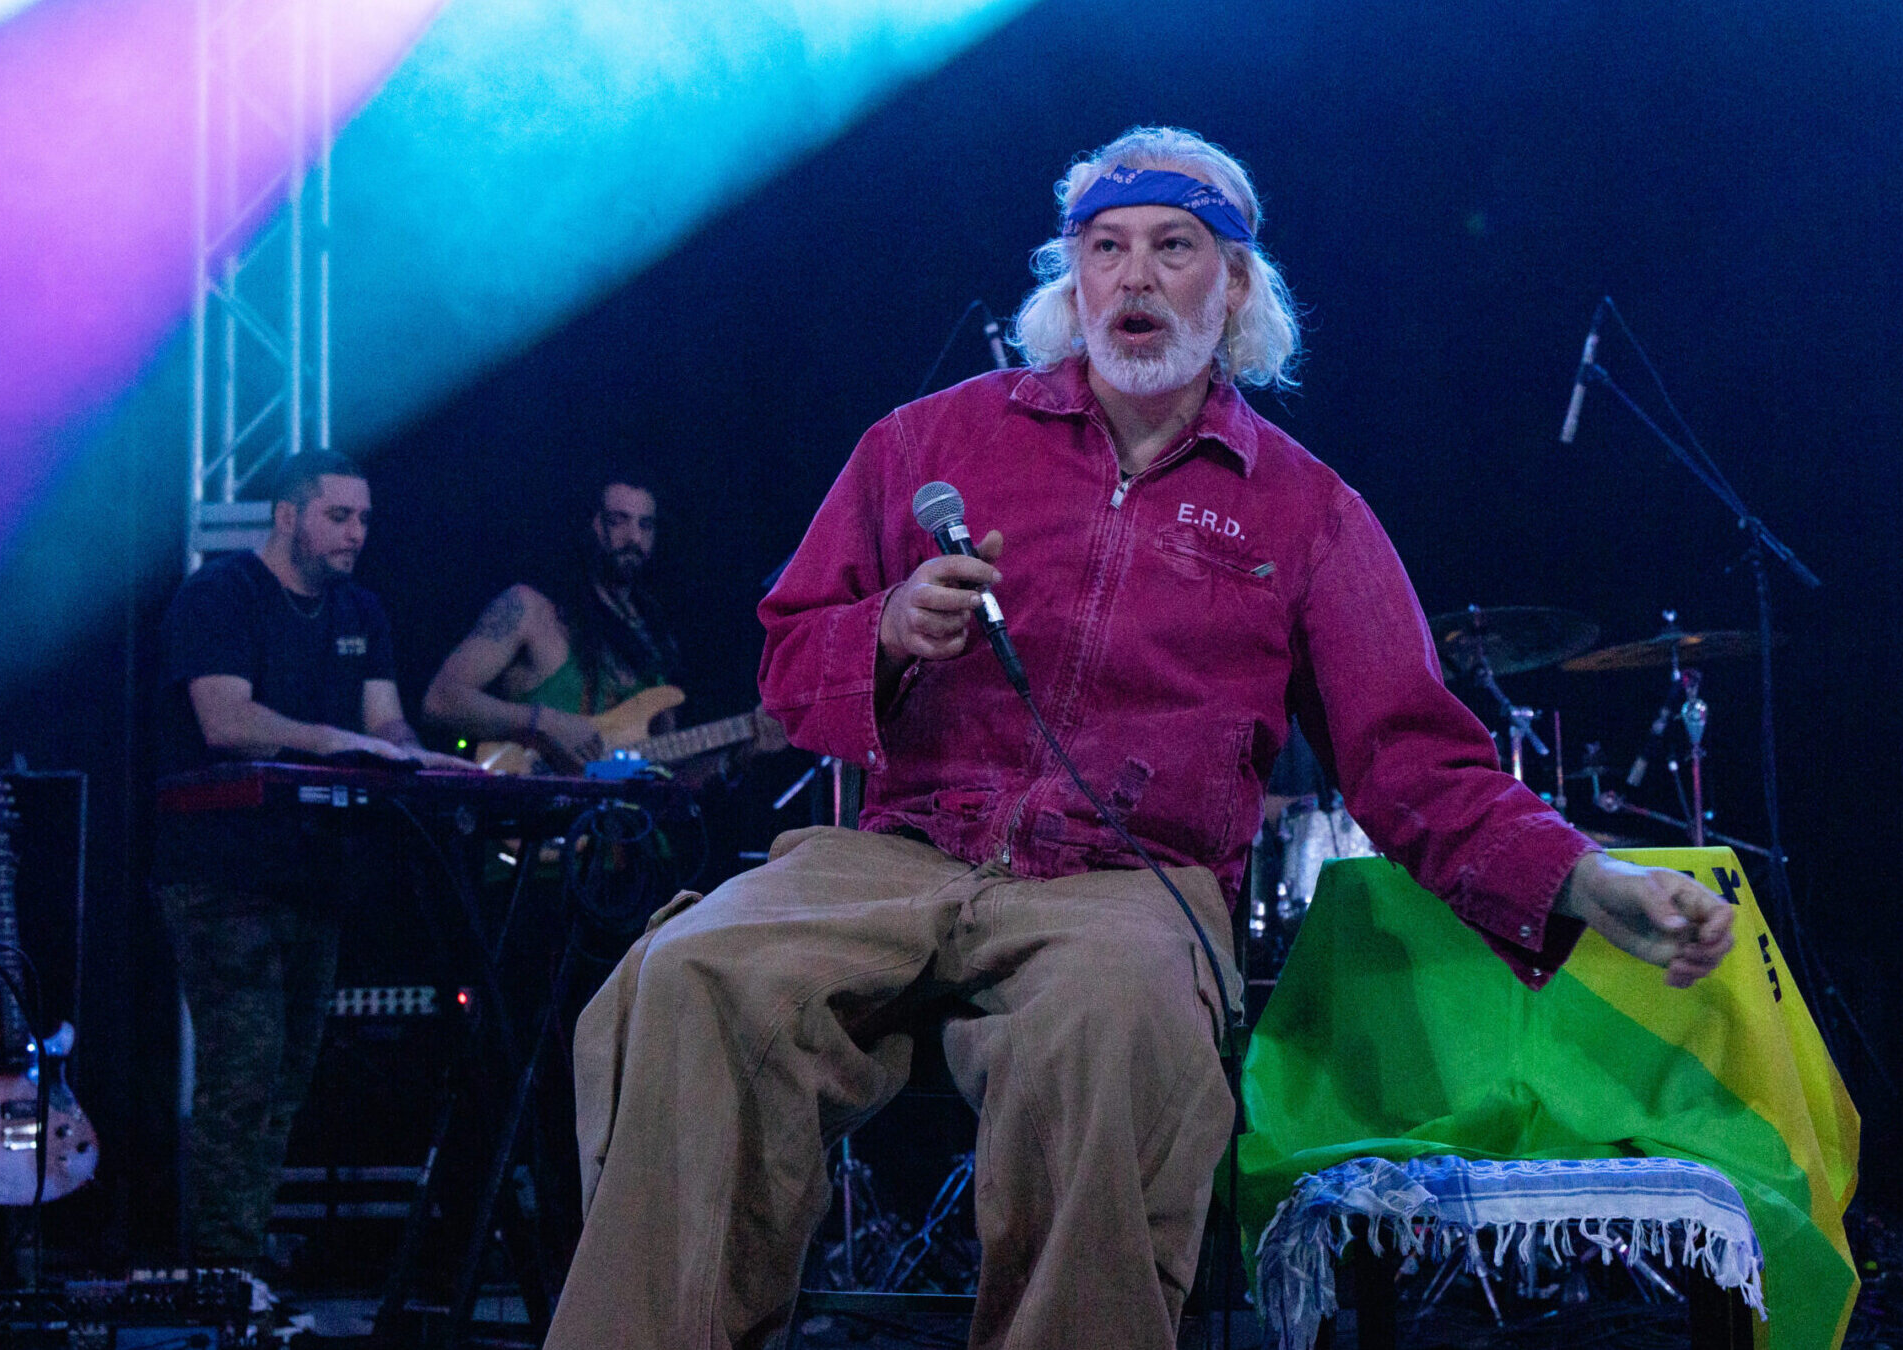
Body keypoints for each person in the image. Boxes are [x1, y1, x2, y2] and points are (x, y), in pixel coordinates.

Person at [541, 128, 1735, 1349]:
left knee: (1112, 1029)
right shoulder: (924, 444)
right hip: (898, 857)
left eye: (1176, 248)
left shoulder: (1309, 511)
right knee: (691, 976)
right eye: (1105, 249)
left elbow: (1417, 759)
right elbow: (790, 664)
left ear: (1237, 287)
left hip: (1129, 888)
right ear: (1071, 280)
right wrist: (888, 630)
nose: (1136, 277)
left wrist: (1583, 878)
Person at [152, 449, 465, 1269]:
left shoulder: (361, 610)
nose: (357, 533)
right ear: (288, 515)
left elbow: (386, 720)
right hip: (222, 877)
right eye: (339, 516)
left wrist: (420, 757)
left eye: (364, 518)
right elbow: (226, 720)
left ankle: (240, 1262)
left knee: (285, 1086)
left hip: (316, 878)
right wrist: (336, 741)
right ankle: (222, 1276)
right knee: (242, 1076)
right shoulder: (219, 595)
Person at [422, 476, 687, 772]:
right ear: (590, 525)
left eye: (645, 525)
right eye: (617, 521)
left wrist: (732, 759)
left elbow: (668, 765)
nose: (634, 538)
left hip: (619, 815)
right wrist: (544, 723)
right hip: (533, 808)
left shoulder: (656, 637)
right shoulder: (530, 608)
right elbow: (440, 701)